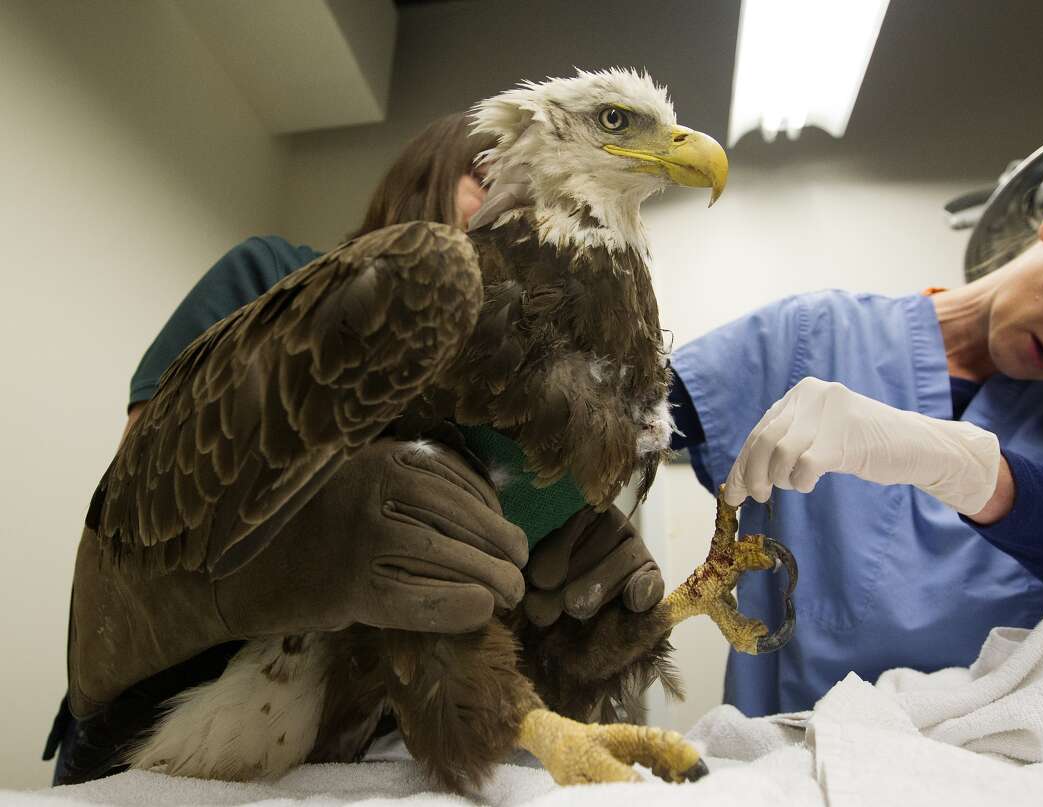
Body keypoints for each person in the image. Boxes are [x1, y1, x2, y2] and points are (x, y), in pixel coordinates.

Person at [47, 112, 663, 784]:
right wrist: (305, 547)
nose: (518, 198)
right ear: (420, 180)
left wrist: (555, 619)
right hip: (158, 714)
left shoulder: (527, 392)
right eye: (486, 175)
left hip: (352, 755)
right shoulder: (274, 273)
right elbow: (128, 520)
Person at [668, 160, 1043, 716]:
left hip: (992, 752)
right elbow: (619, 427)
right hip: (791, 740)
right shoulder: (811, 336)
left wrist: (964, 468)